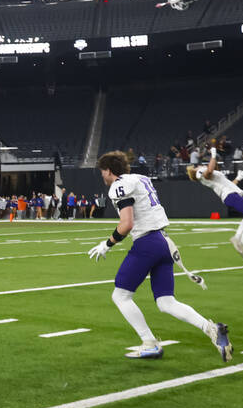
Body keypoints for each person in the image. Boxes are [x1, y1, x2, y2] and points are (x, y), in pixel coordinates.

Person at [87, 151, 232, 361]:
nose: (102, 176)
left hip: (147, 243)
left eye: (102, 171)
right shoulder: (140, 179)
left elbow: (127, 224)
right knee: (166, 302)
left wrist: (108, 243)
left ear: (108, 170)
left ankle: (150, 343)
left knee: (120, 296)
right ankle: (211, 328)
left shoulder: (119, 185)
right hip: (164, 242)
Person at [188, 146, 243, 258]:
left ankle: (242, 244)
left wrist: (239, 178)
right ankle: (237, 237)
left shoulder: (205, 174)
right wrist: (214, 155)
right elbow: (209, 171)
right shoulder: (200, 173)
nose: (201, 165)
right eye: (199, 166)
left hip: (231, 194)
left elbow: (228, 185)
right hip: (229, 195)